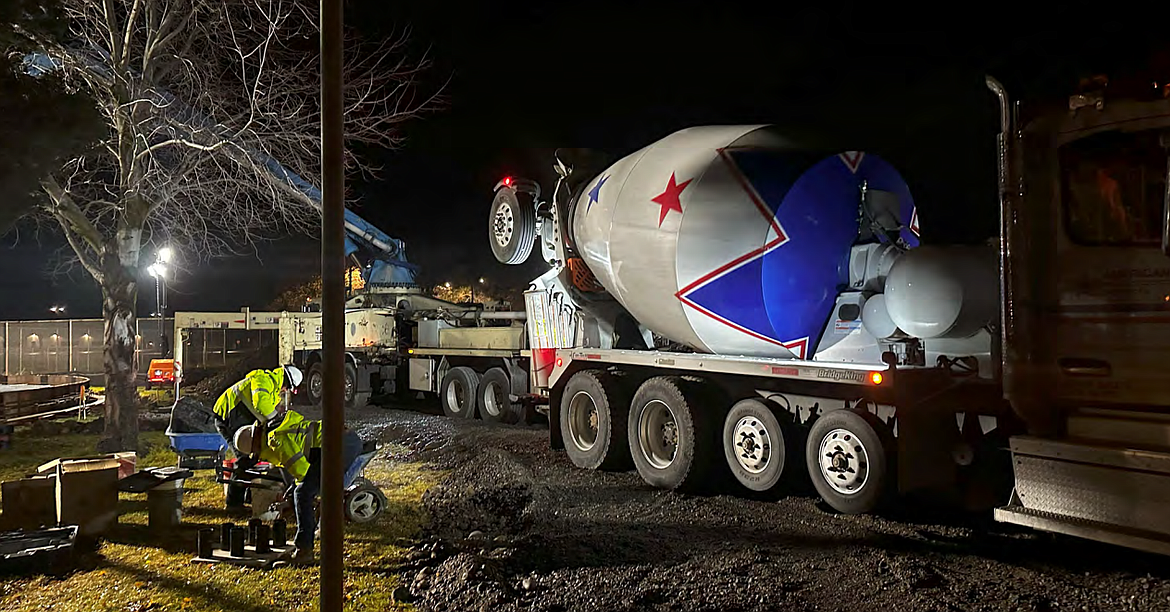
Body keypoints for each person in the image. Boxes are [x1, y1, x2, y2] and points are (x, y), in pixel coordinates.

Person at [233, 411, 363, 564]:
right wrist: (293, 489)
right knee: (302, 492)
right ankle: (314, 535)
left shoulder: (276, 441)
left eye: (254, 452)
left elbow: (302, 472)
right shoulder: (275, 431)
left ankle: (304, 550)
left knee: (302, 494)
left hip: (338, 444)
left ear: (254, 444)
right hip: (341, 440)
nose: (256, 454)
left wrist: (294, 495)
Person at [212, 365, 304, 511]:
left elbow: (266, 417)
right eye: (287, 387)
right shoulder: (263, 379)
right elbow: (261, 404)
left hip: (239, 418)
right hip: (227, 417)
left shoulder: (273, 390)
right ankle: (233, 503)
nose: (285, 390)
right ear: (286, 382)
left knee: (255, 456)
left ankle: (249, 495)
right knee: (245, 458)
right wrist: (276, 421)